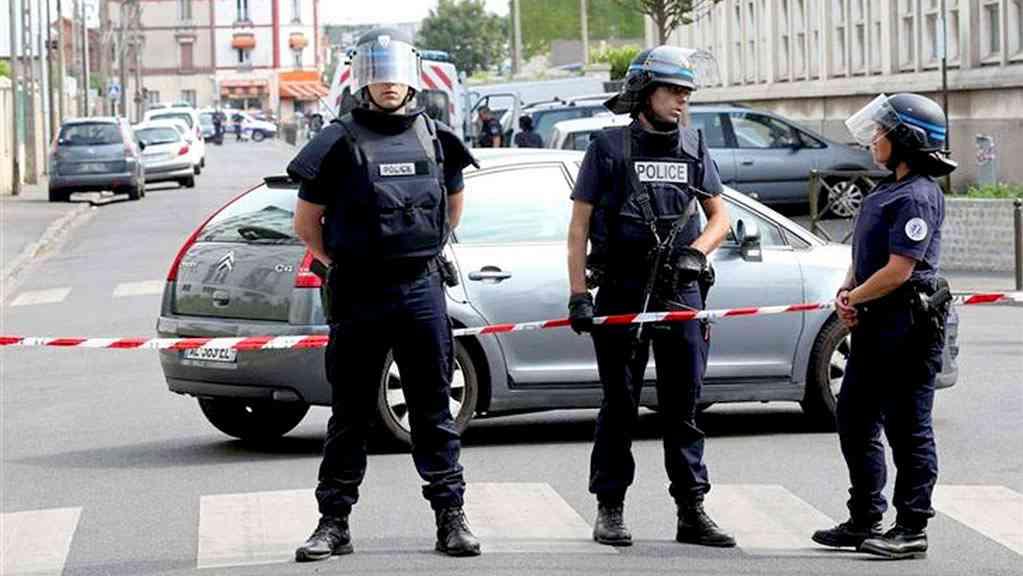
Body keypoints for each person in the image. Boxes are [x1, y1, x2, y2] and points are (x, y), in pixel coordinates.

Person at [287, 27, 481, 561]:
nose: (388, 83)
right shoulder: (336, 142)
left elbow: (453, 207)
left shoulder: (436, 138)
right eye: (378, 74)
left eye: (396, 73)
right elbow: (306, 225)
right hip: (359, 293)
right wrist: (344, 264)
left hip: (420, 289)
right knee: (350, 415)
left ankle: (451, 519)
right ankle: (333, 523)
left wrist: (421, 250)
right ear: (363, 81)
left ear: (411, 78)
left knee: (433, 411)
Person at [565, 46, 735, 548]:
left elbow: (720, 217)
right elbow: (578, 227)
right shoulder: (608, 147)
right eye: (673, 91)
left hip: (680, 289)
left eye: (687, 93)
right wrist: (578, 294)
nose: (682, 101)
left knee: (684, 407)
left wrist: (698, 253)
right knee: (620, 406)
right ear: (644, 91)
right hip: (623, 288)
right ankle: (610, 509)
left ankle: (691, 510)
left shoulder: (693, 145)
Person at [811, 93, 955, 560]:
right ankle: (864, 518)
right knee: (854, 420)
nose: (874, 139)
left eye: (882, 131)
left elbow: (899, 270)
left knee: (908, 430)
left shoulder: (918, 195)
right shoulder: (885, 189)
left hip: (908, 328)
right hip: (874, 326)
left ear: (906, 141)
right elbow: (866, 254)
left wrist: (855, 298)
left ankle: (911, 527)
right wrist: (847, 290)